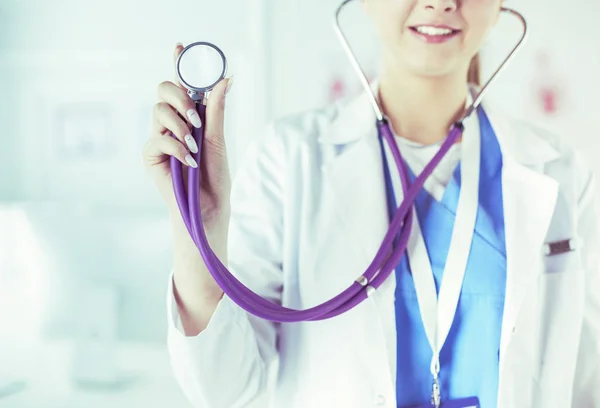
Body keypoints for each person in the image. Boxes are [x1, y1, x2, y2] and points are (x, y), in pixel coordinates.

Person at [142, 0, 600, 407]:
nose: (441, 3)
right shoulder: (289, 158)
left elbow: (586, 382)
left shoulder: (560, 173)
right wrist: (196, 233)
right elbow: (226, 389)